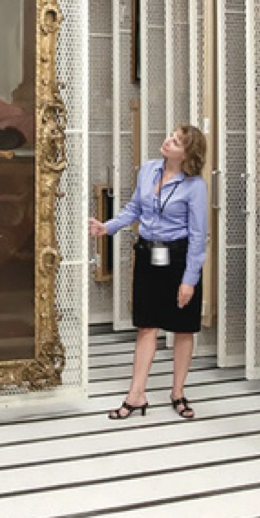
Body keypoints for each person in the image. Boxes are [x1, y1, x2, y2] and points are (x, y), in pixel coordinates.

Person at [90, 124, 210, 420]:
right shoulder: (148, 170)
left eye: (177, 141)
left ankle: (178, 392)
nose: (168, 141)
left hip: (180, 260)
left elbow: (198, 236)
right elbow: (134, 209)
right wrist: (108, 227)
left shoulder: (195, 186)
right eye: (170, 135)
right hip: (147, 255)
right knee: (146, 326)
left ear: (187, 154)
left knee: (183, 328)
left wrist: (189, 281)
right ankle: (136, 395)